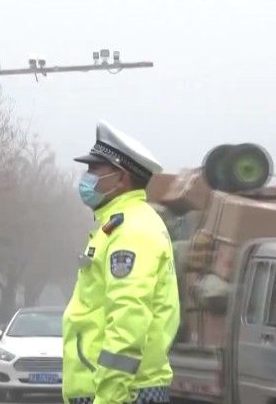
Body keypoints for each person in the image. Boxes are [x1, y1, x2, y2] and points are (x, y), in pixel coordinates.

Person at [63, 121, 179, 404]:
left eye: (95, 170)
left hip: (121, 393)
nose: (87, 177)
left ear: (120, 178)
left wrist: (109, 397)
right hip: (116, 390)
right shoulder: (118, 226)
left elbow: (129, 319)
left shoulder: (131, 231)